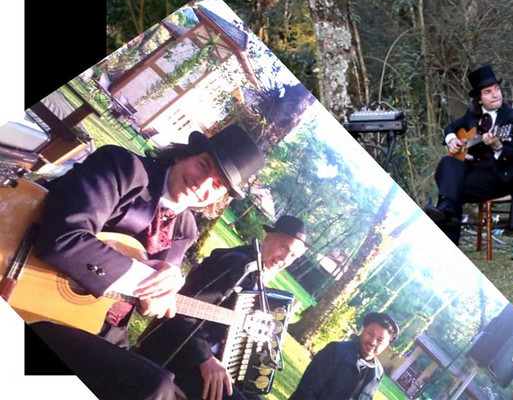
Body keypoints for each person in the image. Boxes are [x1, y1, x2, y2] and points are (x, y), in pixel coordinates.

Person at [29, 124, 265, 399]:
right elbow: (61, 237)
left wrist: (160, 294)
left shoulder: (185, 229)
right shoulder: (122, 167)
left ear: (219, 199)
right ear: (184, 155)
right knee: (154, 385)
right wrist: (140, 275)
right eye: (203, 165)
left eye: (216, 185)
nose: (202, 185)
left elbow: (146, 299)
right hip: (30, 292)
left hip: (99, 328)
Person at [134, 215, 309, 400]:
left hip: (214, 363)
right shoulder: (236, 264)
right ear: (268, 238)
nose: (285, 259)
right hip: (179, 356)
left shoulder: (258, 273)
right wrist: (206, 358)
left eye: (293, 256)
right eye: (284, 248)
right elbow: (180, 311)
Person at [424, 64, 513, 245]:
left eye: (496, 89)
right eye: (488, 92)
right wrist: (451, 140)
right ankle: (447, 210)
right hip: (473, 175)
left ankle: (447, 230)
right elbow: (451, 128)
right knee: (448, 163)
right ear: (479, 99)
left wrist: (497, 146)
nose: (495, 94)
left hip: (500, 177)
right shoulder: (472, 115)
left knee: (450, 189)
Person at [290, 311, 399, 400]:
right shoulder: (335, 351)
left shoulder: (377, 373)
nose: (373, 342)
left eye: (380, 340)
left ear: (386, 345)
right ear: (363, 330)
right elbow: (306, 390)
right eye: (370, 334)